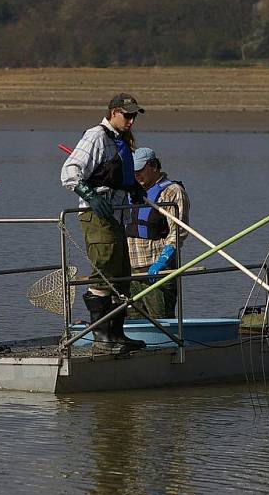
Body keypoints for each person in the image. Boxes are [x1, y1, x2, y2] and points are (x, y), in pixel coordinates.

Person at [60, 92, 148, 354]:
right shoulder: (96, 136)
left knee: (122, 274)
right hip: (97, 215)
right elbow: (69, 172)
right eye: (127, 115)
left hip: (118, 216)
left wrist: (133, 188)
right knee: (104, 271)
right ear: (113, 113)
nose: (131, 121)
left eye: (134, 116)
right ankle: (101, 339)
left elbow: (119, 175)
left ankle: (117, 334)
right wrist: (89, 196)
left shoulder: (119, 141)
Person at [126, 147, 190, 319]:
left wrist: (163, 261)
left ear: (153, 166)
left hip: (157, 270)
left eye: (140, 171)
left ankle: (168, 345)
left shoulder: (172, 192)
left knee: (161, 321)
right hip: (130, 271)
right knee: (130, 322)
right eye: (133, 171)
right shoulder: (130, 192)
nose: (136, 175)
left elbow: (179, 231)